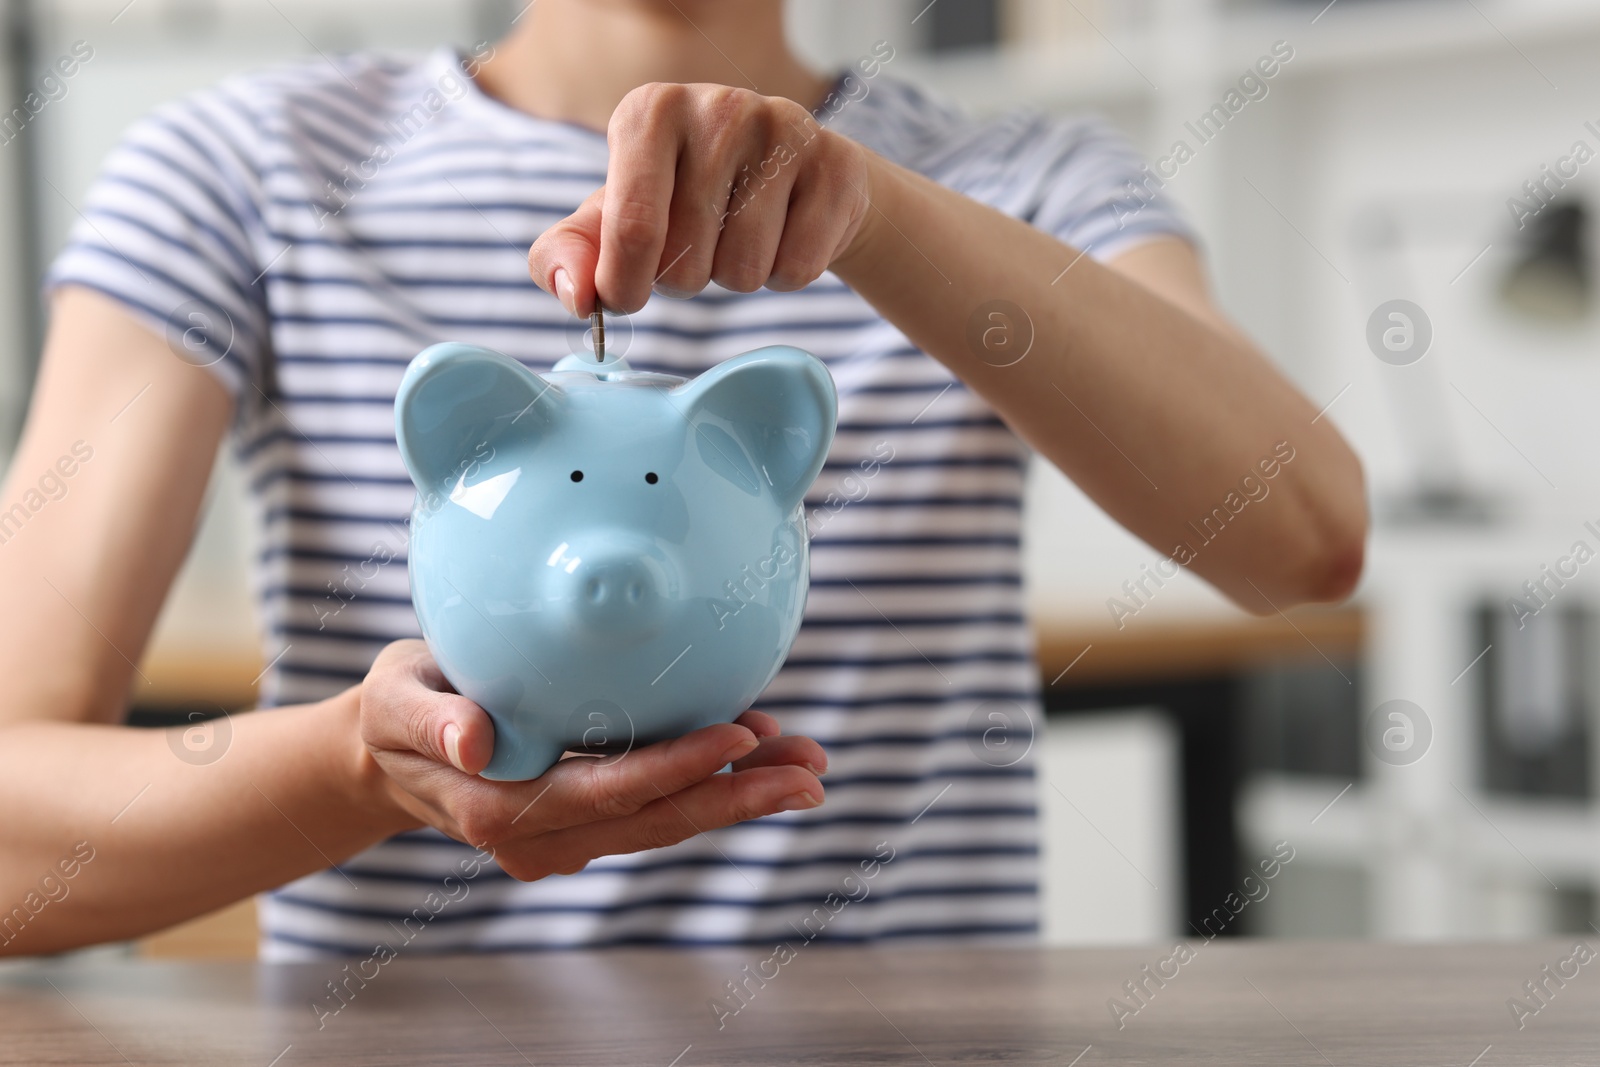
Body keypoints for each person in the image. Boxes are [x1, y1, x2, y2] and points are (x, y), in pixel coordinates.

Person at [0, 0, 1365, 959]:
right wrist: (358, 769)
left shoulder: (1021, 183)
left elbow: (1302, 541)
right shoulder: (238, 176)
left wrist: (878, 217)